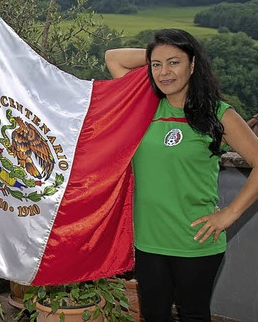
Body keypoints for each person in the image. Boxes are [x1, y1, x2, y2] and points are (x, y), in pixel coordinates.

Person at [105, 29, 258, 322]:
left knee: (193, 315)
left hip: (196, 240)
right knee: (153, 315)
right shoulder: (143, 105)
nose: (164, 73)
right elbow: (114, 59)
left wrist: (230, 214)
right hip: (149, 240)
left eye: (175, 63)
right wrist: (159, 53)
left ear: (193, 65)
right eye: (157, 65)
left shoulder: (218, 113)